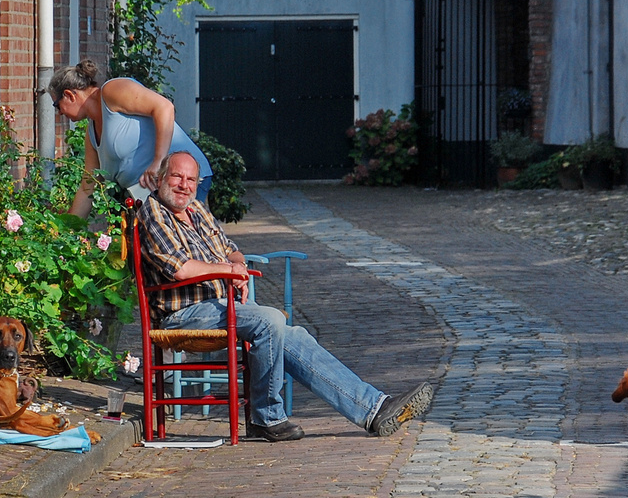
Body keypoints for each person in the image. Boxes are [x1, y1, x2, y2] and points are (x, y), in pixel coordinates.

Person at [137, 151, 437, 442]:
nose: (184, 185)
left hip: (224, 306)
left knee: (296, 335)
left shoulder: (196, 210)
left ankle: (374, 409)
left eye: (191, 179)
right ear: (162, 177)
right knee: (269, 320)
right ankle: (266, 418)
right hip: (183, 313)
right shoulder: (153, 211)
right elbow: (179, 269)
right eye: (177, 176)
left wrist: (238, 264)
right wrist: (228, 270)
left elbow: (230, 247)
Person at [50, 59, 213, 216]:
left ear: (69, 95)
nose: (60, 113)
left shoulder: (112, 91)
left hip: (181, 183)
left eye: (57, 105)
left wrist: (158, 161)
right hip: (154, 198)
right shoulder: (92, 134)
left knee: (187, 241)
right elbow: (88, 186)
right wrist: (67, 228)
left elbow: (165, 107)